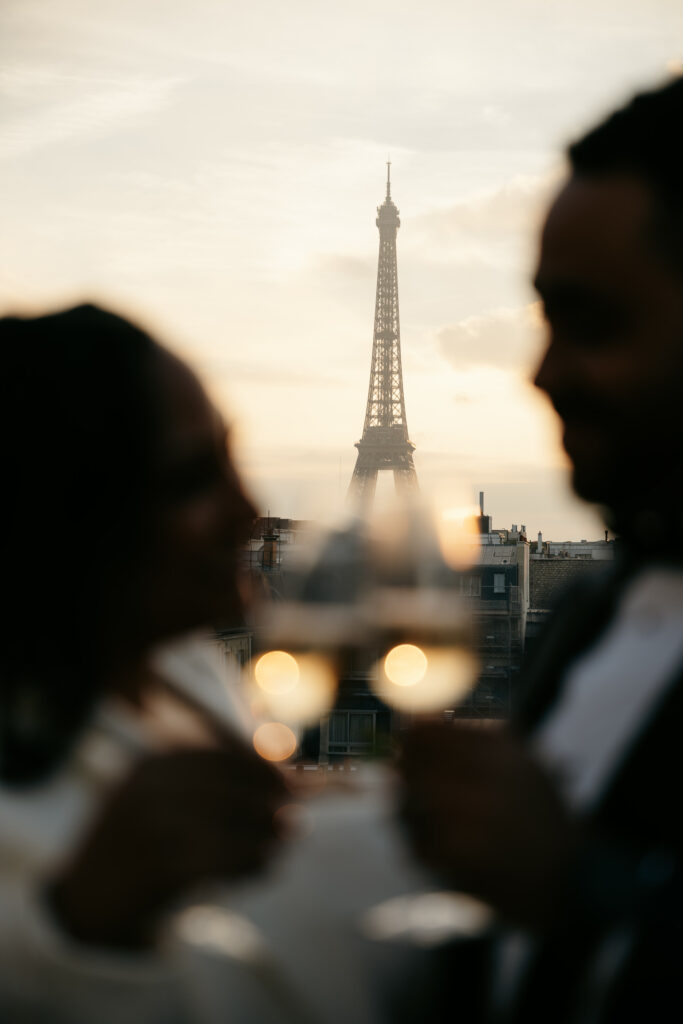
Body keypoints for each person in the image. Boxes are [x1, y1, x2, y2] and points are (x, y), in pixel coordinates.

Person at [398, 76, 683, 1023]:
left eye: (595, 323)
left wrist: (577, 894)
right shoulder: (586, 615)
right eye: (545, 319)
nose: (544, 372)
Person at [0, 304, 287, 1020]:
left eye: (231, 458)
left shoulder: (187, 670)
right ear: (70, 513)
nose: (249, 509)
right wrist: (84, 924)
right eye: (193, 479)